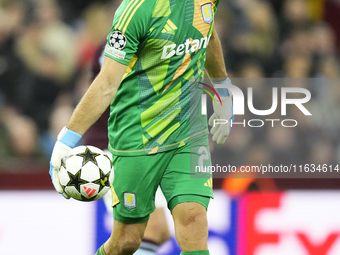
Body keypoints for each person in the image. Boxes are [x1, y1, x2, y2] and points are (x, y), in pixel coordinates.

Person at [50, 0, 233, 254]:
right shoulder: (135, 11)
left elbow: (207, 31)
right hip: (138, 138)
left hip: (189, 131)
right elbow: (106, 83)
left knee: (194, 220)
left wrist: (223, 86)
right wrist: (67, 139)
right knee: (127, 240)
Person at [83, 39, 170, 255]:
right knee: (143, 231)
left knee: (159, 232)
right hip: (112, 148)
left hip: (139, 150)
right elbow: (115, 85)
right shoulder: (116, 44)